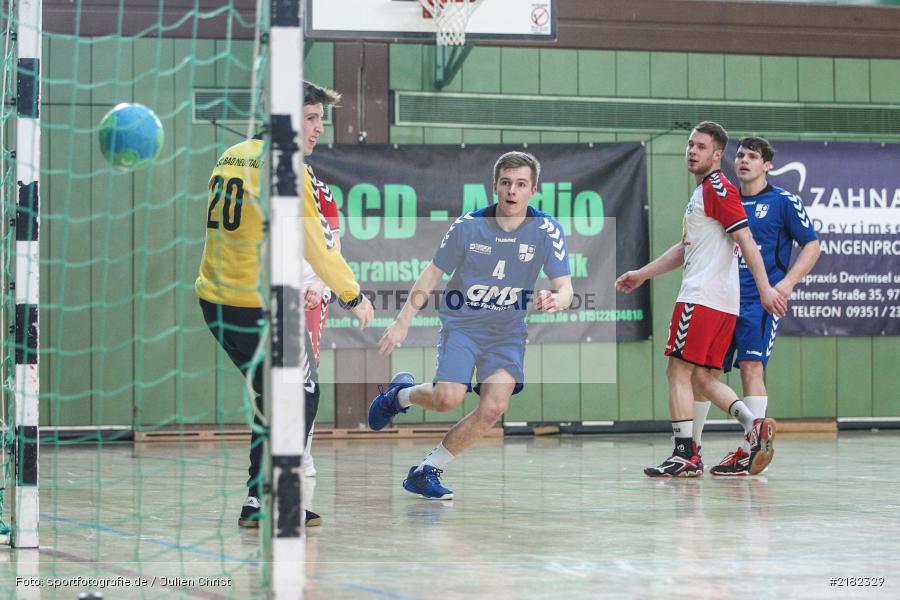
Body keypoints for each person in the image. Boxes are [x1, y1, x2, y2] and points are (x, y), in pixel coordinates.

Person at [195, 81, 374, 527]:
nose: (319, 129)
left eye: (320, 119)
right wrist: (353, 294)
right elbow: (318, 247)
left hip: (215, 302)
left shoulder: (232, 153)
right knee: (301, 395)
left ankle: (262, 501)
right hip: (258, 307)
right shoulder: (285, 168)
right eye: (311, 118)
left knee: (273, 396)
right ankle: (274, 498)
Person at [367, 151, 573, 499]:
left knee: (494, 407)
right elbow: (431, 275)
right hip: (463, 324)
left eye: (521, 184)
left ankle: (426, 470)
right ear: (494, 187)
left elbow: (565, 286)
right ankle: (400, 394)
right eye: (506, 183)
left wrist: (557, 299)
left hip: (507, 331)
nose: (512, 190)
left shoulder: (546, 230)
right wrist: (402, 322)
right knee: (448, 398)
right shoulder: (468, 227)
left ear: (533, 190)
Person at [615, 121, 787, 478]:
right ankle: (753, 428)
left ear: (717, 154)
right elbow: (685, 248)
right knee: (702, 380)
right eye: (690, 145)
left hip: (701, 298)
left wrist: (767, 288)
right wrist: (642, 274)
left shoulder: (716, 188)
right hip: (722, 303)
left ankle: (684, 454)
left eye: (701, 146)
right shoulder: (706, 193)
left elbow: (746, 241)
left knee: (676, 371)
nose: (692, 151)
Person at [692, 136, 820, 476]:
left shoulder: (783, 202)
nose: (744, 161)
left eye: (753, 156)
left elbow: (812, 246)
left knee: (751, 368)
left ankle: (751, 451)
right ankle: (692, 451)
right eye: (740, 155)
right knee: (704, 375)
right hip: (720, 298)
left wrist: (785, 284)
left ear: (768, 165)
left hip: (757, 301)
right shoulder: (724, 197)